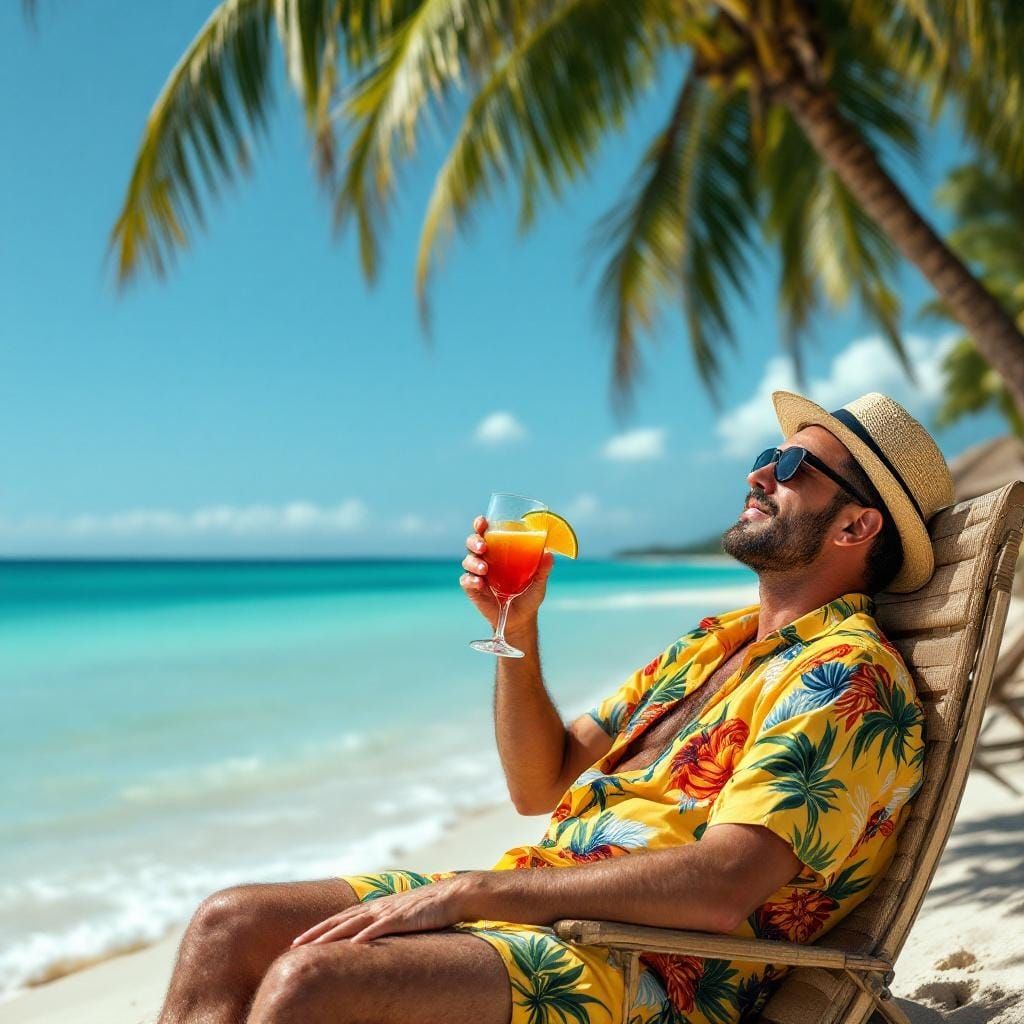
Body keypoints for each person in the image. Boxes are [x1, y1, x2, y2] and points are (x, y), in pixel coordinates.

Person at [155, 390, 954, 1024]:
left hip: (654, 966)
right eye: (765, 456)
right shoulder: (716, 642)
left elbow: (721, 888)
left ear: (857, 523)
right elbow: (540, 783)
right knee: (228, 926)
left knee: (309, 982)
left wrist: (468, 894)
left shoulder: (848, 676)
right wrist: (517, 629)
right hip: (550, 903)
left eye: (792, 465)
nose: (760, 473)